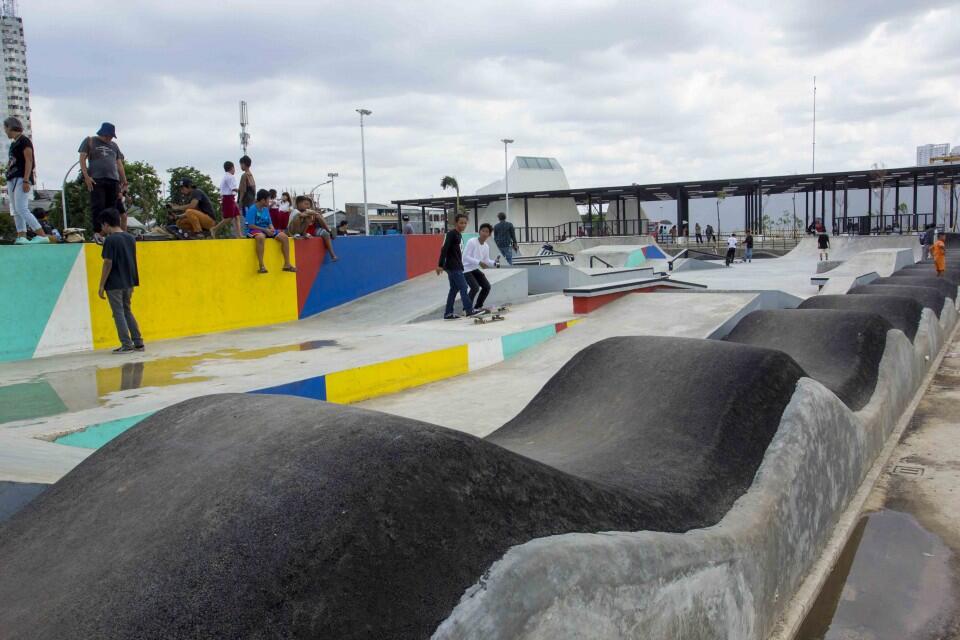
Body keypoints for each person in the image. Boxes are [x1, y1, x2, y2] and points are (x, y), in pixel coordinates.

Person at [97, 208, 143, 354]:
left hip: (115, 283)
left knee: (118, 313)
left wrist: (101, 285)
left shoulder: (110, 240)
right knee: (127, 311)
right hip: (129, 281)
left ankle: (126, 344)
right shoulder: (130, 238)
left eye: (102, 226)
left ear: (106, 224)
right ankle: (138, 342)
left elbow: (108, 262)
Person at [79, 122, 127, 244]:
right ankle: (97, 232)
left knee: (113, 208)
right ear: (103, 133)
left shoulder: (114, 146)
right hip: (97, 178)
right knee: (98, 206)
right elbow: (82, 159)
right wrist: (86, 177)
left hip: (113, 179)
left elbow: (119, 164)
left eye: (111, 136)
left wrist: (124, 180)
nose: (109, 138)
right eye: (108, 135)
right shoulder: (90, 141)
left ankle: (111, 232)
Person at [4, 116, 47, 244]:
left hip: (21, 177)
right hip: (12, 177)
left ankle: (41, 234)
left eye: (5, 128)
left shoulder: (24, 141)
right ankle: (21, 235)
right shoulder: (14, 143)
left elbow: (29, 160)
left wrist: (26, 179)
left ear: (10, 127)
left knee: (22, 207)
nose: (5, 131)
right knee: (15, 209)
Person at [436, 213, 482, 319]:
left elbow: (457, 253)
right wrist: (440, 265)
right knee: (464, 287)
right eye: (461, 223)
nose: (463, 225)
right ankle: (469, 310)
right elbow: (444, 249)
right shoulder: (452, 234)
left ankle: (448, 313)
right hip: (453, 266)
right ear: (456, 223)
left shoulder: (459, 235)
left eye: (465, 223)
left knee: (454, 289)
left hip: (456, 266)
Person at [245, 188, 296, 274]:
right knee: (260, 237)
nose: (269, 201)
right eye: (268, 199)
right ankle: (261, 265)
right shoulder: (252, 209)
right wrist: (265, 230)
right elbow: (250, 225)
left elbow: (270, 223)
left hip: (266, 229)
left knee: (284, 236)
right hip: (254, 230)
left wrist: (271, 228)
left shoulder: (265, 209)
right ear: (262, 200)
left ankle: (287, 264)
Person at [288, 195, 338, 261]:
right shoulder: (295, 211)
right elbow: (301, 215)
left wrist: (316, 215)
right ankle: (302, 233)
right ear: (299, 204)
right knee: (302, 216)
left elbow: (313, 219)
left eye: (309, 204)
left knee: (326, 233)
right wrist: (312, 213)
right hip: (296, 230)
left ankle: (332, 254)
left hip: (311, 230)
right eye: (306, 204)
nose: (308, 206)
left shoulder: (310, 212)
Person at [464, 222, 498, 311]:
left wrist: (494, 263)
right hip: (466, 269)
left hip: (474, 269)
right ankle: (466, 309)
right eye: (482, 231)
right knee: (475, 287)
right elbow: (465, 257)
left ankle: (478, 306)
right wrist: (479, 262)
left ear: (489, 234)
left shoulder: (486, 246)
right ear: (479, 232)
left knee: (486, 286)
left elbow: (486, 260)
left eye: (487, 232)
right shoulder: (472, 241)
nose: (484, 233)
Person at [213, 160, 242, 238]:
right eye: (234, 168)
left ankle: (239, 235)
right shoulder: (230, 177)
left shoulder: (226, 176)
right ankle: (214, 229)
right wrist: (243, 189)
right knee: (229, 218)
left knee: (237, 216)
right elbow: (233, 189)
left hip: (229, 198)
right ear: (232, 168)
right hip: (228, 198)